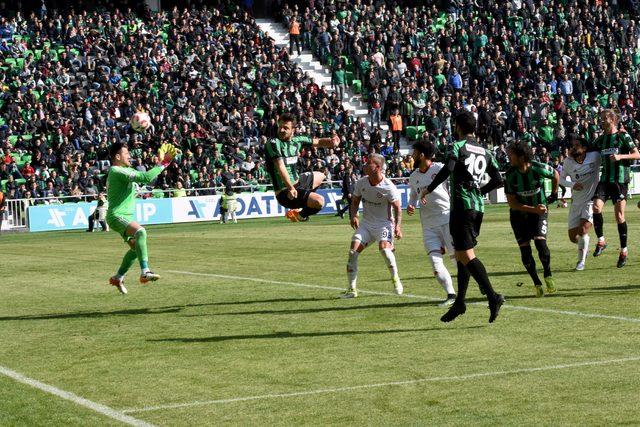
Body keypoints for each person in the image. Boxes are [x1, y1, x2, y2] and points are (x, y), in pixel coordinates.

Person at [420, 110, 504, 323]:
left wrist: (429, 189)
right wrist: (479, 191)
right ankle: (460, 302)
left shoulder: (457, 147)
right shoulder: (486, 152)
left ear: (457, 126)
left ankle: (493, 297)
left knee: (467, 255)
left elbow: (448, 168)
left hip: (461, 206)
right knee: (459, 254)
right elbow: (497, 180)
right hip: (478, 208)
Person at [106, 142, 179, 294]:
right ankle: (145, 271)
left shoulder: (125, 170)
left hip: (123, 216)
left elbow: (146, 178)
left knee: (135, 249)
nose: (129, 156)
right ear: (117, 156)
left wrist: (163, 161)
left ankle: (118, 277)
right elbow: (145, 177)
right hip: (117, 215)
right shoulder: (117, 170)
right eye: (126, 154)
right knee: (141, 232)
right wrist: (164, 162)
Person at [342, 154, 403, 298]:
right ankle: (352, 290)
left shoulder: (388, 187)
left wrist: (398, 227)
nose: (364, 165)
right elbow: (355, 201)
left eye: (368, 163)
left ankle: (396, 280)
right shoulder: (361, 182)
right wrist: (354, 215)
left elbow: (398, 208)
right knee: (352, 253)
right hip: (366, 225)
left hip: (384, 225)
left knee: (385, 251)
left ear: (377, 167)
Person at [504, 140, 560, 297]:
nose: (509, 158)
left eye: (511, 155)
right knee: (525, 249)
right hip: (518, 215)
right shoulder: (510, 175)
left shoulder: (537, 167)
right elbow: (512, 203)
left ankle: (548, 274)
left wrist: (554, 194)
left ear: (521, 157)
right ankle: (536, 282)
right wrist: (532, 208)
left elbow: (556, 174)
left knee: (540, 243)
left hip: (539, 212)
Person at [265, 112, 339, 222]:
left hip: (298, 183)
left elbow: (318, 141)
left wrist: (332, 142)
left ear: (293, 130)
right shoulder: (273, 143)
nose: (281, 130)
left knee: (321, 174)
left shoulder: (297, 141)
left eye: (285, 128)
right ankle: (302, 214)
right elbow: (281, 167)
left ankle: (300, 213)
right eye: (280, 127)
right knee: (319, 201)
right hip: (284, 192)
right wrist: (290, 188)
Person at [407, 140, 456, 307]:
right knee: (435, 263)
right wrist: (412, 204)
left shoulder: (439, 168)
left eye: (414, 153)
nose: (411, 156)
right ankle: (451, 294)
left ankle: (480, 285)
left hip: (446, 219)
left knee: (457, 259)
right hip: (428, 225)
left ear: (421, 155)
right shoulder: (413, 176)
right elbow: (414, 194)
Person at [590, 109, 640, 267]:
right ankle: (601, 241)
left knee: (619, 215)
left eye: (604, 118)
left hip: (620, 180)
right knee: (596, 208)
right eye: (601, 118)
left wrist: (620, 156)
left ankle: (624, 250)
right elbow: (588, 150)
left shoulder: (623, 136)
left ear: (612, 119)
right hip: (604, 180)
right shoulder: (601, 140)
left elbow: (637, 154)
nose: (602, 121)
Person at [559, 136, 601, 271]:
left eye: (577, 145)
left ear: (585, 149)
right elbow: (560, 179)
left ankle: (581, 262)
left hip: (591, 200)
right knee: (573, 237)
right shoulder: (568, 162)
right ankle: (585, 246)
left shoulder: (594, 156)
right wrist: (572, 185)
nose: (573, 148)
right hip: (576, 202)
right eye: (572, 145)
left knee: (583, 231)